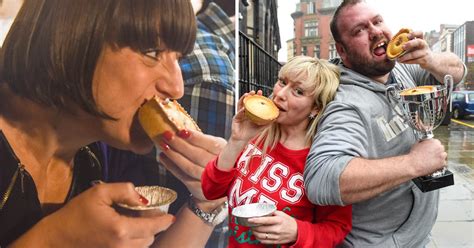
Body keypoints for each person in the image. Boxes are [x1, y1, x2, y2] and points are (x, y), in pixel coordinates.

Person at [0, 0, 223, 247]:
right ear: (74, 35)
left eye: (178, 58)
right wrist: (52, 239)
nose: (176, 88)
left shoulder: (111, 149)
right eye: (151, 52)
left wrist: (206, 201)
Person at [303, 1, 466, 247]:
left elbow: (457, 72)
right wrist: (413, 164)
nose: (376, 31)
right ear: (343, 51)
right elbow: (321, 178)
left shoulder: (401, 71)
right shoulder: (345, 103)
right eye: (359, 30)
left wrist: (429, 59)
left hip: (417, 237)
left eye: (377, 22)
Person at [199, 56, 352, 247]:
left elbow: (338, 227)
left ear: (315, 108)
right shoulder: (255, 134)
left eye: (298, 91)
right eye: (282, 82)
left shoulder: (322, 161)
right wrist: (237, 140)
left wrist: (298, 231)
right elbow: (210, 190)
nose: (280, 94)